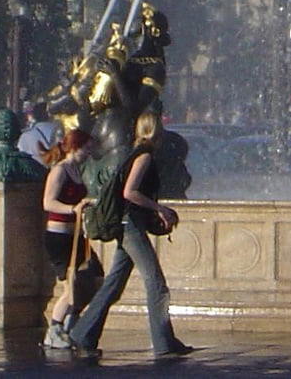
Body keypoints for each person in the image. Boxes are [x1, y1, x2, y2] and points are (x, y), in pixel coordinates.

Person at [68, 113, 195, 361]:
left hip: (127, 223)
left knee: (114, 283)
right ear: (156, 131)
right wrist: (159, 209)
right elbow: (130, 192)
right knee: (156, 283)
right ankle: (163, 342)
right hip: (130, 225)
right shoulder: (144, 156)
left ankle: (82, 333)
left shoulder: (135, 152)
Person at [40, 129, 97, 352]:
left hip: (75, 235)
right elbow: (48, 203)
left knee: (94, 278)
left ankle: (71, 323)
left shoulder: (76, 169)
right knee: (70, 288)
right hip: (58, 236)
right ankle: (53, 331)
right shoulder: (60, 171)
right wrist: (73, 208)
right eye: (86, 148)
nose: (89, 152)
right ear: (75, 147)